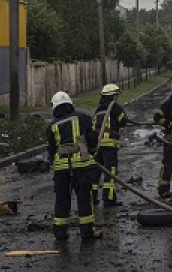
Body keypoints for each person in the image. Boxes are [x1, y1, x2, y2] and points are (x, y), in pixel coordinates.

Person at [46, 91, 101, 241]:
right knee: (84, 199)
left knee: (62, 200)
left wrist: (55, 163)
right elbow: (92, 139)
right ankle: (87, 232)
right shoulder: (82, 117)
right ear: (70, 104)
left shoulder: (52, 125)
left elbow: (51, 149)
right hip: (81, 166)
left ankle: (60, 233)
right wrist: (92, 151)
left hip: (60, 169)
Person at [91, 83, 138, 207]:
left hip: (98, 145)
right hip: (110, 145)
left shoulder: (98, 109)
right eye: (116, 95)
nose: (117, 98)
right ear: (112, 96)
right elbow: (123, 121)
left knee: (95, 172)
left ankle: (92, 197)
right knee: (110, 172)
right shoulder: (115, 107)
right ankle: (109, 199)